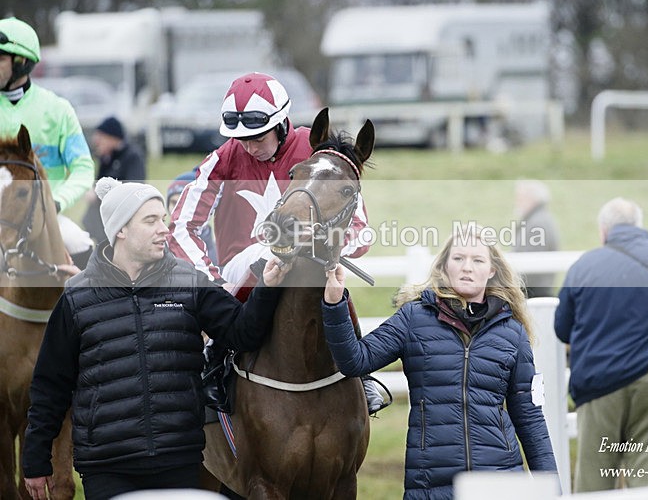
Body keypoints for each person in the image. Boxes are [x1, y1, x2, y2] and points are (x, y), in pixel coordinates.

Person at [22, 177, 289, 500]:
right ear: (120, 229)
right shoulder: (78, 296)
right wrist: (36, 460)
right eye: (151, 221)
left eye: (163, 219)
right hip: (107, 468)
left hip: (180, 460)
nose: (164, 228)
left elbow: (242, 332)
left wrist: (267, 288)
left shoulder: (189, 281)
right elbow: (50, 385)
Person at [167, 72, 386, 414]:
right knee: (265, 250)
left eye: (257, 137)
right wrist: (213, 282)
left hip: (308, 263)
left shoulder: (317, 152)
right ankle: (212, 363)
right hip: (243, 267)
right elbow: (180, 225)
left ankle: (361, 373)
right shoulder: (224, 157)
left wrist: (327, 245)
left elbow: (360, 230)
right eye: (241, 139)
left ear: (282, 123)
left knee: (329, 277)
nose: (249, 147)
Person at [322, 224, 558, 498]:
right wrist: (335, 303)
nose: (466, 267)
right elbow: (355, 361)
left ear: (491, 270)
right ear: (445, 266)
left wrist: (553, 489)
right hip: (431, 486)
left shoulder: (512, 333)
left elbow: (529, 419)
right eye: (458, 258)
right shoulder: (414, 318)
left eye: (477, 260)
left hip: (500, 483)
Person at [554, 197, 648, 491]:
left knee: (594, 486)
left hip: (599, 387)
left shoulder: (583, 267)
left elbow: (562, 329)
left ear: (603, 231)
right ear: (639, 226)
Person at [0, 16, 95, 268]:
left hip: (43, 218)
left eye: (0, 59)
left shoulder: (58, 110)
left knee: (80, 244)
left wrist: (55, 202)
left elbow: (83, 168)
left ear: (21, 62)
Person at [82, 116, 146, 243]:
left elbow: (135, 188)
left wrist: (97, 194)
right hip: (101, 214)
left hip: (122, 215)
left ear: (112, 138)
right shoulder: (106, 157)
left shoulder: (132, 156)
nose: (96, 141)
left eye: (101, 137)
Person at [511, 180, 560, 297]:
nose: (517, 202)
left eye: (520, 197)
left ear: (532, 199)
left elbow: (528, 263)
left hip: (533, 293)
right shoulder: (539, 219)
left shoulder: (537, 224)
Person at [166, 168, 217, 266]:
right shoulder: (158, 248)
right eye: (174, 203)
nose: (179, 209)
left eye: (186, 202)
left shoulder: (223, 254)